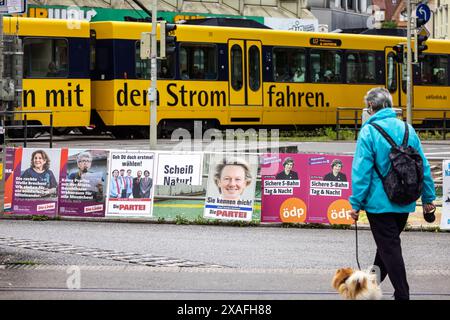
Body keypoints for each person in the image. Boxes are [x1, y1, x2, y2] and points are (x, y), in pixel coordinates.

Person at [349, 87, 436, 301]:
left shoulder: (368, 132)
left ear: (370, 107)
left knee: (389, 249)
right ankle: (364, 291)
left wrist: (355, 203)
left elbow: (362, 172)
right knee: (386, 249)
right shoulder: (408, 129)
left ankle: (402, 295)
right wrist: (428, 198)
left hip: (379, 204)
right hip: (404, 201)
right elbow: (422, 165)